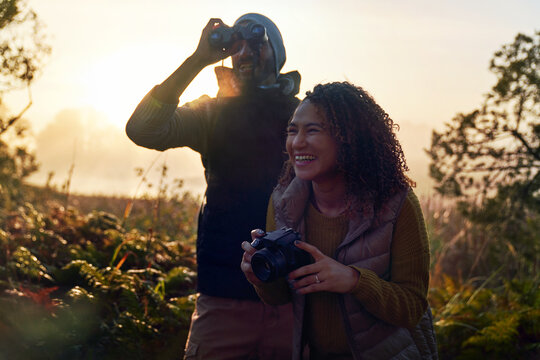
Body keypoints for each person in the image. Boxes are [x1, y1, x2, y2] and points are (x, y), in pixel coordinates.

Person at [125, 13, 300, 360]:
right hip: (223, 296)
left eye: (258, 43)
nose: (246, 52)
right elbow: (142, 129)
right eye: (238, 46)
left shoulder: (303, 117)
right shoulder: (211, 113)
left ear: (277, 55)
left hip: (293, 296)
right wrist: (198, 60)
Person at [241, 82, 438, 359]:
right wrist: (260, 277)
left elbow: (412, 307)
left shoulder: (395, 204)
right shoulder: (284, 204)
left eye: (313, 130)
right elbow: (281, 296)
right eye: (292, 130)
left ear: (349, 138)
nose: (297, 142)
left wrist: (354, 280)